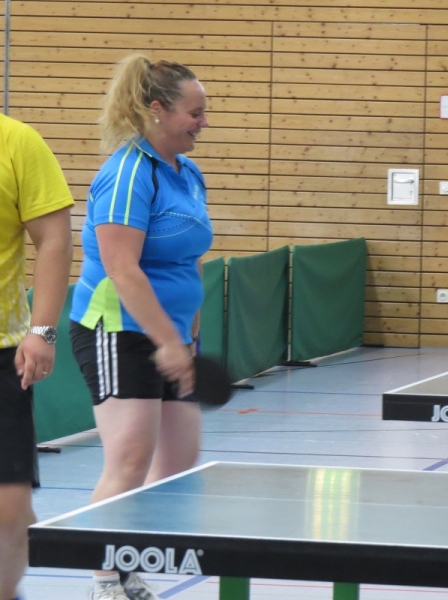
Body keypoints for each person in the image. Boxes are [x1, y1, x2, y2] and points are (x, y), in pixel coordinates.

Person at [69, 54, 212, 600]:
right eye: (194, 113)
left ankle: (126, 557)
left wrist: (189, 335)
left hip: (172, 336)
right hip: (118, 329)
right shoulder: (129, 172)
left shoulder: (188, 173)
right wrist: (167, 341)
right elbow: (122, 269)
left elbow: (192, 258)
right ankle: (106, 579)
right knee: (129, 460)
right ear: (157, 109)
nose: (203, 123)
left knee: (177, 459)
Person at [0, 114, 74, 600]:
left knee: (9, 510)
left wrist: (42, 331)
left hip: (2, 352)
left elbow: (54, 238)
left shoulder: (17, 142)